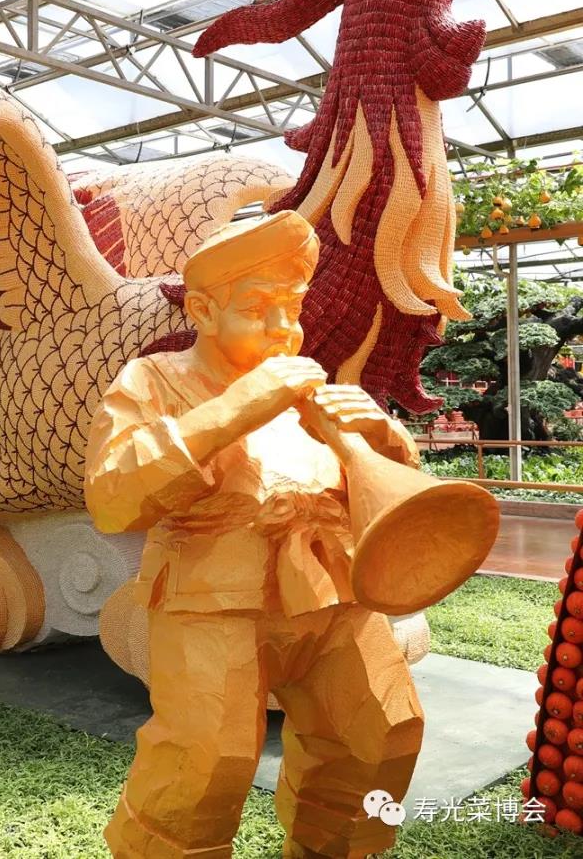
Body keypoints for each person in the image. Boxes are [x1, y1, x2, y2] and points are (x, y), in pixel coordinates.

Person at [85, 211, 424, 859]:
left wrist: (384, 438)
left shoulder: (309, 386)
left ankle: (334, 849)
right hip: (213, 601)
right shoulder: (153, 381)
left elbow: (380, 489)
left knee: (382, 733)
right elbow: (111, 497)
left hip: (333, 596)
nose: (281, 328)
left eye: (291, 307)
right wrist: (236, 409)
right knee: (206, 761)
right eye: (257, 308)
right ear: (203, 311)